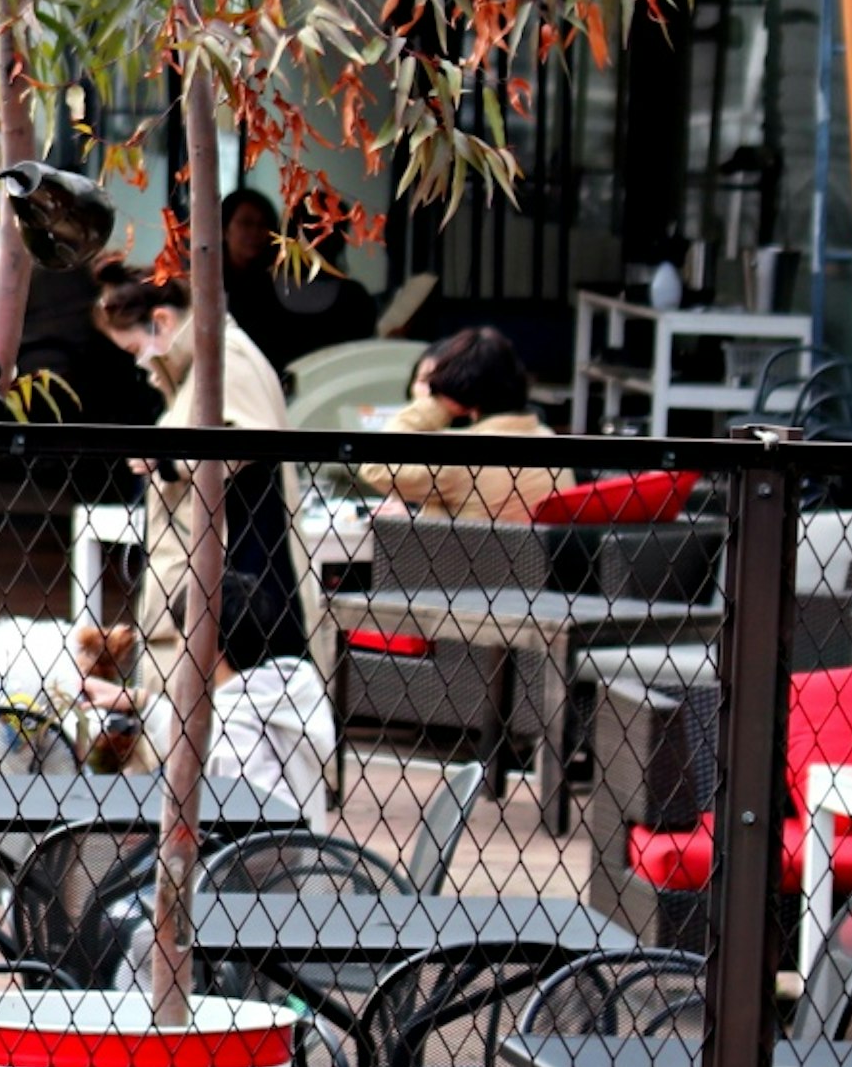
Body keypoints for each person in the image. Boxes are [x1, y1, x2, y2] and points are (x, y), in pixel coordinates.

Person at [88, 274, 315, 709]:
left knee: (237, 699)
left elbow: (243, 444)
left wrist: (169, 460)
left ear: (162, 320)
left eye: (136, 349)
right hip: (223, 562)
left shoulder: (224, 359)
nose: (140, 365)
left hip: (238, 566)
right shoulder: (209, 360)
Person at [358, 325, 561, 521]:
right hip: (529, 555)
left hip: (467, 556)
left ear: (457, 388)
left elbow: (375, 466)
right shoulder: (548, 440)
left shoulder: (461, 454)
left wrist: (434, 406)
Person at [219, 186, 381, 380]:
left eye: (262, 225)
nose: (255, 232)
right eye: (246, 223)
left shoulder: (250, 292)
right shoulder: (355, 299)